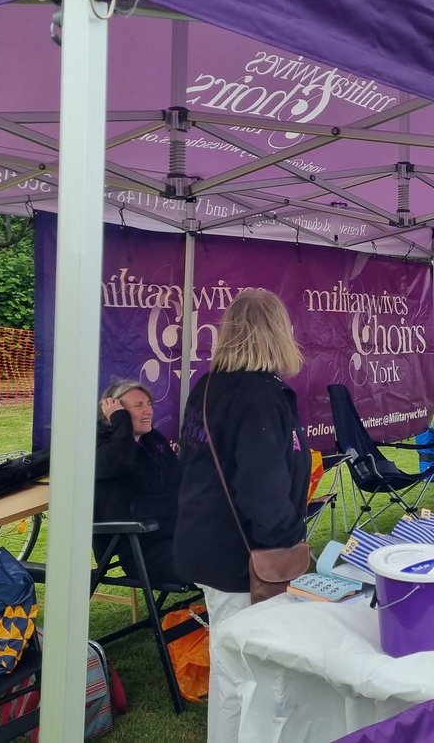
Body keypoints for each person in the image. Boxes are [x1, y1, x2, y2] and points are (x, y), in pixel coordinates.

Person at [172, 288, 310, 742]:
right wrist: (288, 545)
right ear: (276, 333)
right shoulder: (256, 396)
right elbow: (261, 486)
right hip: (243, 556)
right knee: (250, 675)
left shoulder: (208, 385)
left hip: (209, 545)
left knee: (230, 665)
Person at [95, 379, 183, 583]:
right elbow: (122, 461)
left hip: (178, 535)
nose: (148, 411)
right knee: (221, 566)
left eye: (149, 404)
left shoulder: (153, 440)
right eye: (138, 406)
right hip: (143, 550)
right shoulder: (101, 450)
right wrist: (121, 421)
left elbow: (178, 479)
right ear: (114, 412)